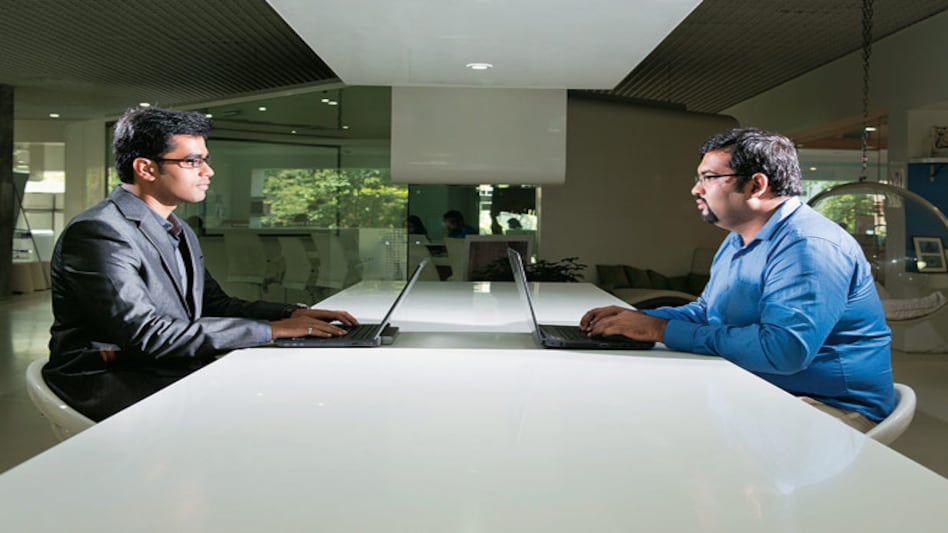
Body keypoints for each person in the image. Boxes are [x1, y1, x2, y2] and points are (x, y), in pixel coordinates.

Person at [45, 107, 359, 422]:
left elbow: (213, 304)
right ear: (146, 168)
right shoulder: (100, 232)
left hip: (167, 367)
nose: (207, 171)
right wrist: (270, 331)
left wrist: (290, 315)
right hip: (116, 379)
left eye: (204, 159)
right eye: (192, 161)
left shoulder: (176, 228)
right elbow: (147, 335)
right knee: (275, 405)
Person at [581, 128, 894, 432]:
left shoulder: (809, 246)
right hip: (761, 386)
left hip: (829, 408)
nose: (696, 189)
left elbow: (783, 352)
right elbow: (707, 312)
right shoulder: (739, 238)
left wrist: (660, 330)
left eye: (710, 178)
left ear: (756, 185)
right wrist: (638, 319)